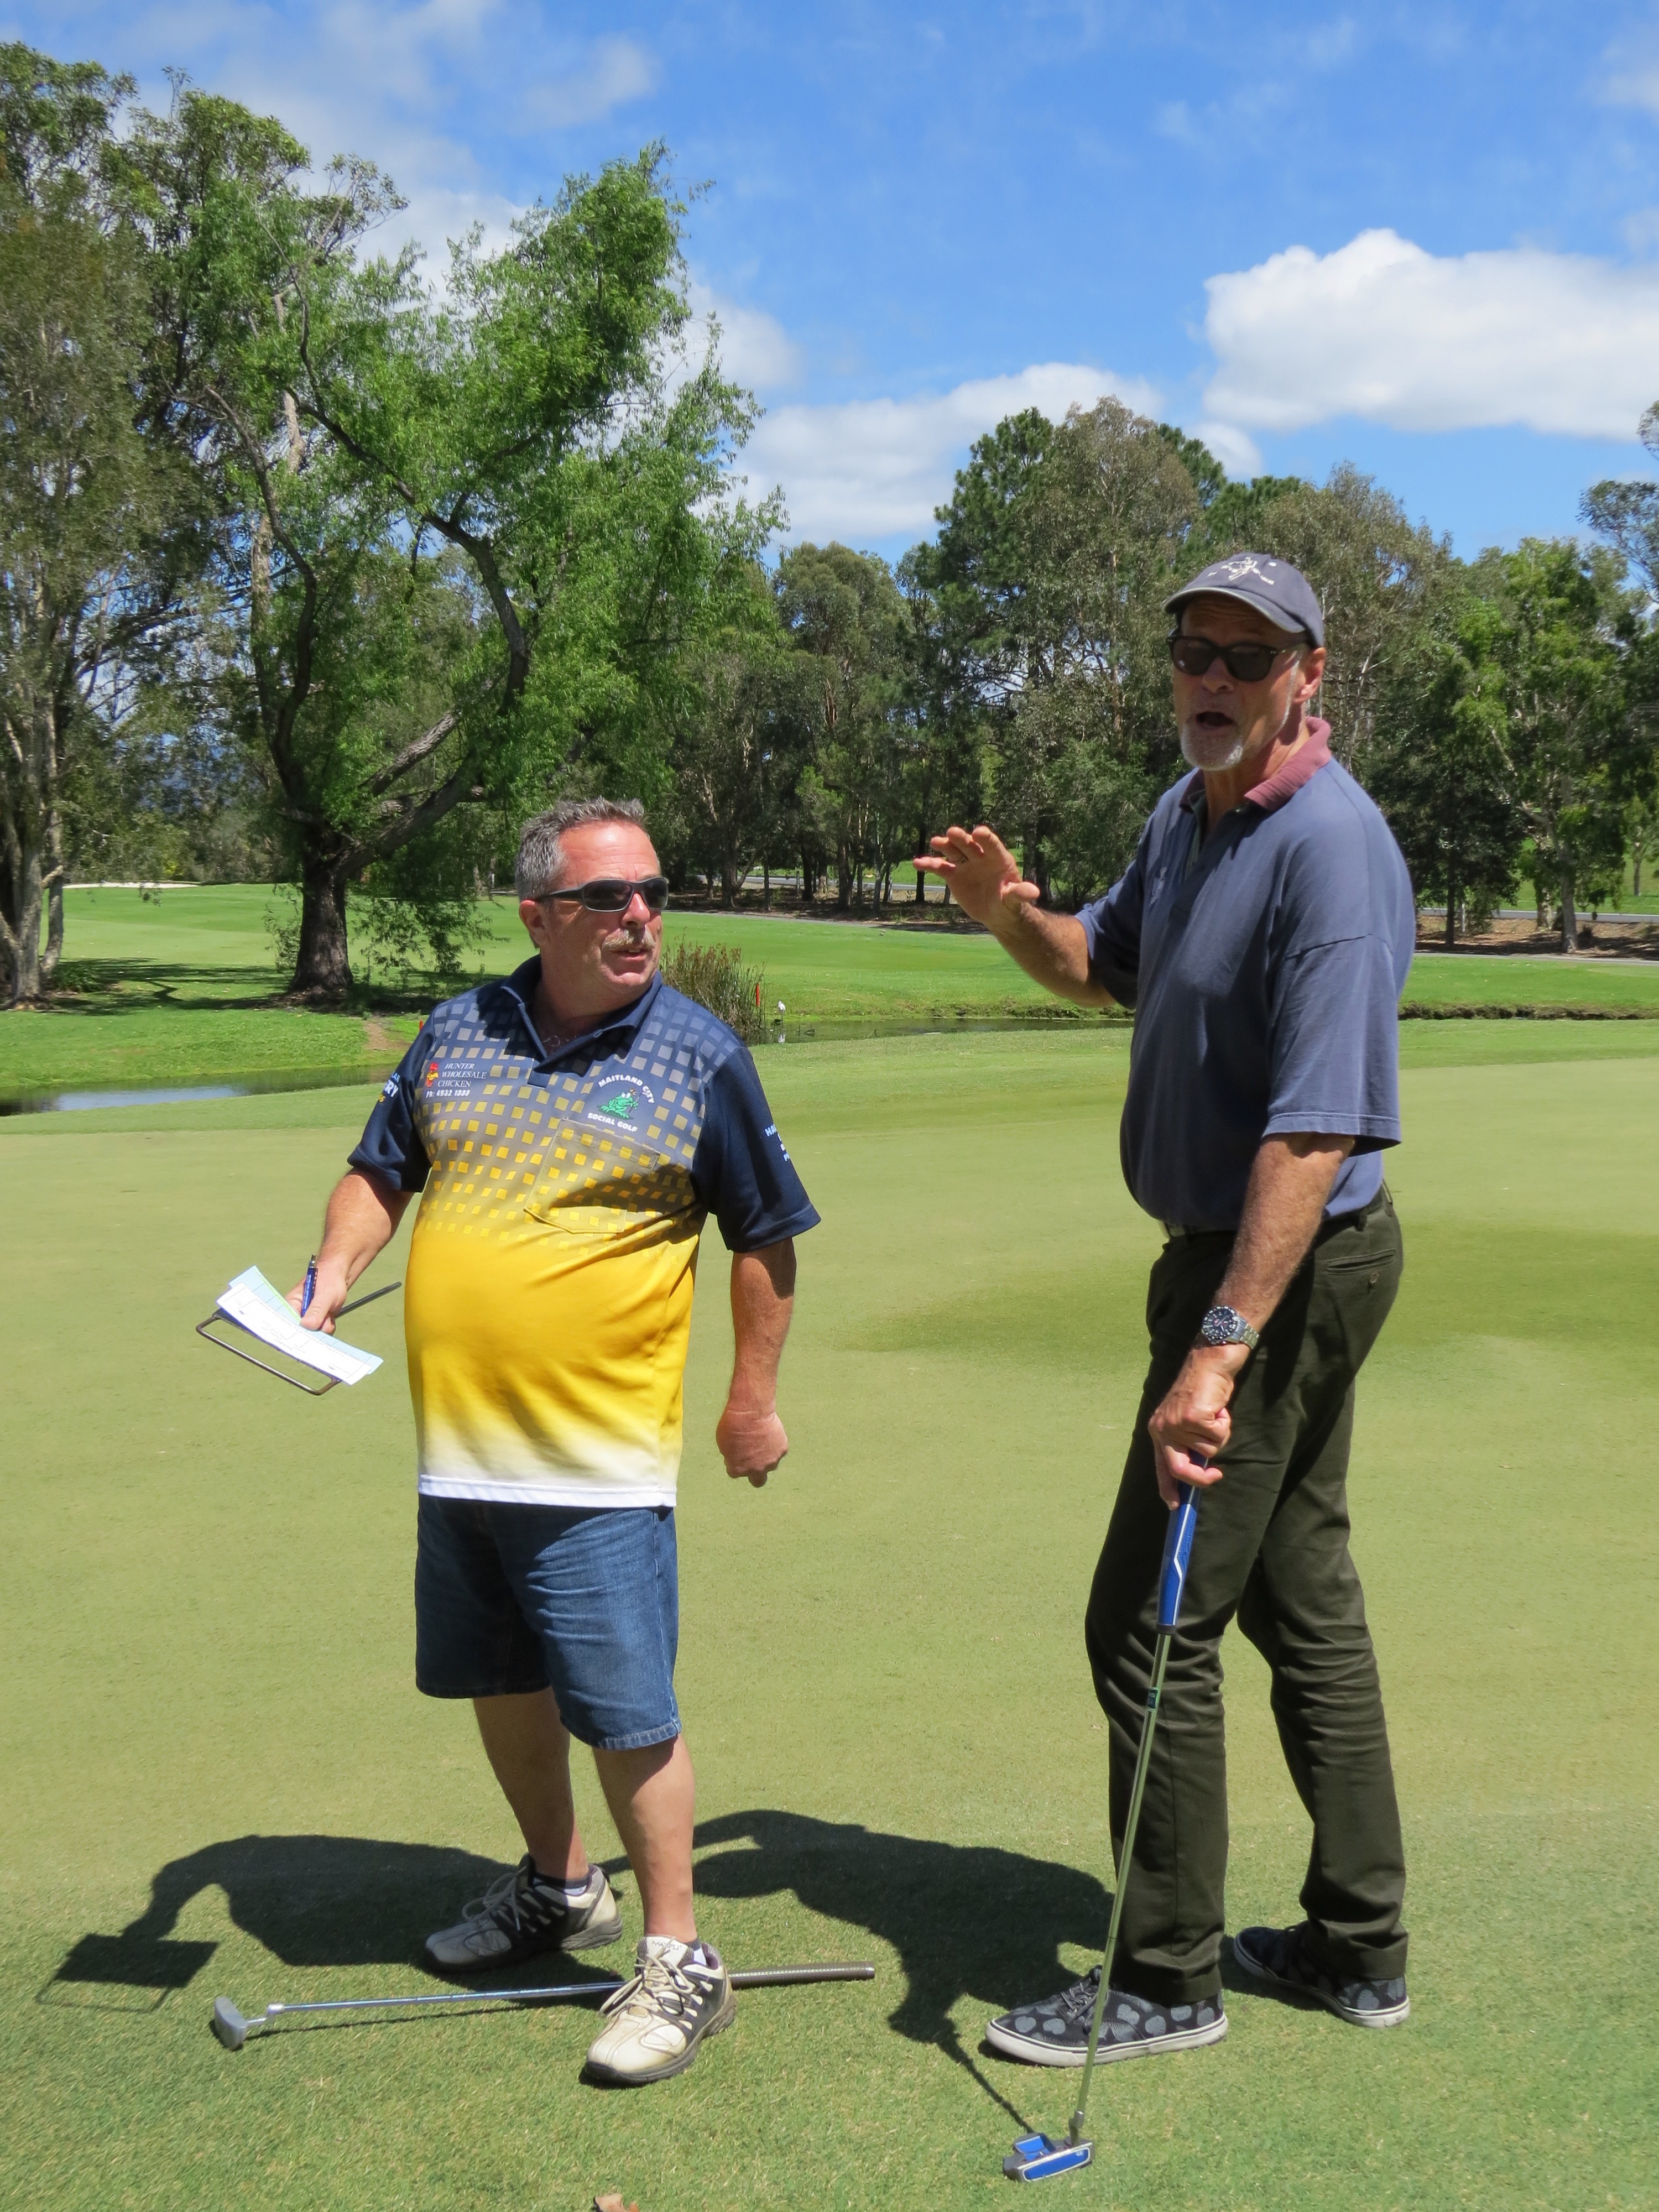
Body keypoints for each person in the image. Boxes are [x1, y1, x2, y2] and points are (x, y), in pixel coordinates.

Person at [917, 552, 1415, 2067]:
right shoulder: (1186, 814)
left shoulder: (1331, 850)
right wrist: (1009, 913)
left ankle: (1165, 1975)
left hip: (1277, 1268)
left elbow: (1314, 1130)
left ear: (1308, 675)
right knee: (1301, 1593)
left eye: (1247, 657)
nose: (1213, 675)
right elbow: (1103, 966)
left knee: (1147, 1623)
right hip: (1240, 1262)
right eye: (1195, 648)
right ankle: (1358, 1944)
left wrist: (1216, 1350)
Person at [290, 797, 818, 2086]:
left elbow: (765, 1234)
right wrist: (332, 1265)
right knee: (499, 1678)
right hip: (459, 1450)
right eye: (607, 898)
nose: (640, 916)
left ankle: (680, 1956)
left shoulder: (697, 1052)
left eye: (653, 894)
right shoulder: (457, 1031)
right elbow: (381, 1167)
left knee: (627, 1710)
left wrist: (752, 1397)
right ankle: (560, 1881)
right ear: (537, 915)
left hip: (599, 1459)